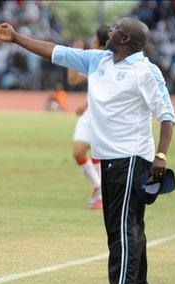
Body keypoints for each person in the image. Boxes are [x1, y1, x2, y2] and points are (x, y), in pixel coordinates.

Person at [0, 17, 175, 284]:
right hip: (109, 159)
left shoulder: (146, 72)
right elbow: (55, 51)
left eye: (116, 29)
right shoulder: (98, 60)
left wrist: (161, 156)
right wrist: (15, 38)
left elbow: (167, 116)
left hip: (133, 158)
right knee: (127, 228)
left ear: (125, 40)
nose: (108, 31)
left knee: (123, 231)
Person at [67, 25, 110, 209]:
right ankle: (99, 186)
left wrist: (86, 103)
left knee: (97, 154)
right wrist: (73, 55)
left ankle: (102, 193)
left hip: (102, 113)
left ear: (101, 43)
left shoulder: (113, 62)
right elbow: (73, 80)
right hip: (88, 113)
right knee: (77, 152)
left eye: (93, 39)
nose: (91, 42)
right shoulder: (92, 60)